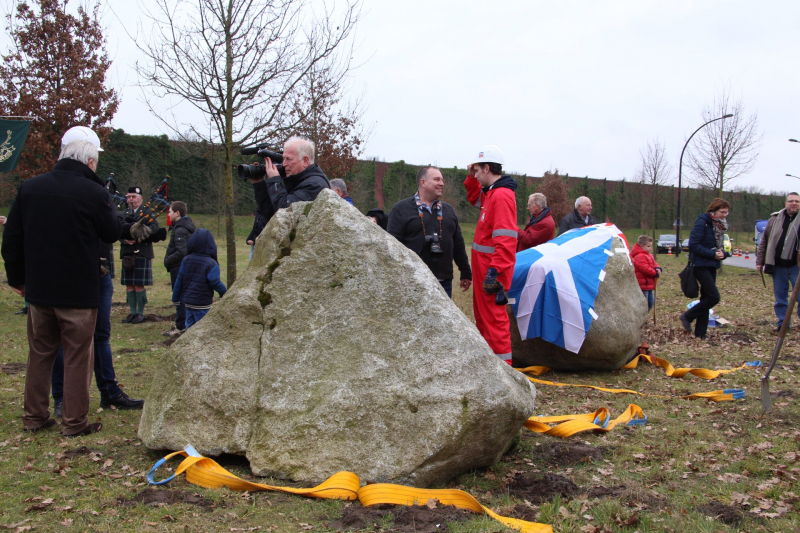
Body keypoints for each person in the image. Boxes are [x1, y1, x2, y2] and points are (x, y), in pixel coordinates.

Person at [1, 127, 122, 437]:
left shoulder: (30, 188)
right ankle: (74, 422)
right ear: (91, 162)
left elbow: (12, 238)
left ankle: (34, 418)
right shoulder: (95, 193)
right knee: (77, 357)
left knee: (40, 355)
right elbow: (111, 232)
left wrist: (18, 279)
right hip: (78, 293)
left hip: (39, 290)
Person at [51, 238, 144, 417]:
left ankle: (110, 393)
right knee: (64, 337)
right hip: (68, 271)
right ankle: (62, 398)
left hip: (99, 272)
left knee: (101, 335)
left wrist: (126, 229)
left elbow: (111, 226)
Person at [465, 145, 518, 365]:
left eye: (477, 171)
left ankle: (504, 372)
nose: (475, 175)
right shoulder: (492, 193)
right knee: (484, 319)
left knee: (494, 322)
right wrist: (470, 178)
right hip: (485, 270)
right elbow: (474, 198)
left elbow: (506, 241)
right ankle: (490, 370)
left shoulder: (501, 196)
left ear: (487, 168)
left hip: (492, 272)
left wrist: (495, 273)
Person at [387, 166, 472, 298]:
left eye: (442, 180)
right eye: (437, 179)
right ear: (423, 182)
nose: (441, 183)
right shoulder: (401, 209)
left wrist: (465, 272)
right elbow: (392, 247)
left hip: (444, 281)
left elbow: (458, 244)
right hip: (413, 281)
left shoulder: (448, 210)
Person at [680, 198, 732, 340]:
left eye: (726, 213)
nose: (724, 215)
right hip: (700, 265)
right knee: (714, 297)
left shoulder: (720, 226)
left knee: (706, 298)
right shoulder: (702, 222)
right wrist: (712, 254)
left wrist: (723, 254)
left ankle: (700, 333)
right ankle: (688, 316)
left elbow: (721, 247)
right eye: (722, 212)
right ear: (713, 211)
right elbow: (694, 245)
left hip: (711, 265)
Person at [249, 136, 330, 224]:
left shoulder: (315, 185)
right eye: (283, 159)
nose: (284, 164)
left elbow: (285, 214)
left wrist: (274, 182)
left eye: (289, 159)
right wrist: (259, 184)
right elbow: (272, 216)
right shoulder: (298, 180)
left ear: (305, 161)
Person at [757, 192, 800, 330]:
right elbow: (764, 241)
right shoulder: (774, 219)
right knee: (780, 298)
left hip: (796, 266)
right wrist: (760, 261)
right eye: (791, 201)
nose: (794, 203)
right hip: (778, 266)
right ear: (785, 203)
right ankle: (783, 324)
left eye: (797, 201)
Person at [171, 229, 227, 329]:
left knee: (189, 327)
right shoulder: (212, 263)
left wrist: (175, 298)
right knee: (202, 328)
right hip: (202, 303)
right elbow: (215, 282)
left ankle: (189, 343)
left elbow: (179, 280)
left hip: (187, 302)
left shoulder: (186, 260)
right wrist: (225, 293)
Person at [120, 186, 159, 324]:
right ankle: (132, 313)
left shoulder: (147, 212)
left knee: (138, 285)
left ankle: (140, 313)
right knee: (129, 285)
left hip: (142, 251)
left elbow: (155, 229)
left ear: (140, 198)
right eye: (129, 196)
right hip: (127, 252)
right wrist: (124, 239)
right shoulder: (123, 213)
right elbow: (115, 228)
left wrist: (139, 237)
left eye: (134, 197)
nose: (131, 199)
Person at [163, 201, 195, 336]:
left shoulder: (181, 229)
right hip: (182, 266)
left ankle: (180, 326)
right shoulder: (182, 227)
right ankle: (184, 323)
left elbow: (181, 251)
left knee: (179, 296)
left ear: (177, 213)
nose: (168, 215)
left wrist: (168, 261)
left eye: (170, 212)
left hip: (178, 266)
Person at [631, 235, 662, 311]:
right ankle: (641, 318)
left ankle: (644, 318)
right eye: (648, 246)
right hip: (642, 285)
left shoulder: (649, 255)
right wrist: (655, 273)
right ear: (641, 246)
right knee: (644, 304)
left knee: (651, 302)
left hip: (649, 284)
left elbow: (654, 264)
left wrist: (658, 268)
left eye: (650, 246)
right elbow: (644, 269)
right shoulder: (640, 256)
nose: (650, 248)